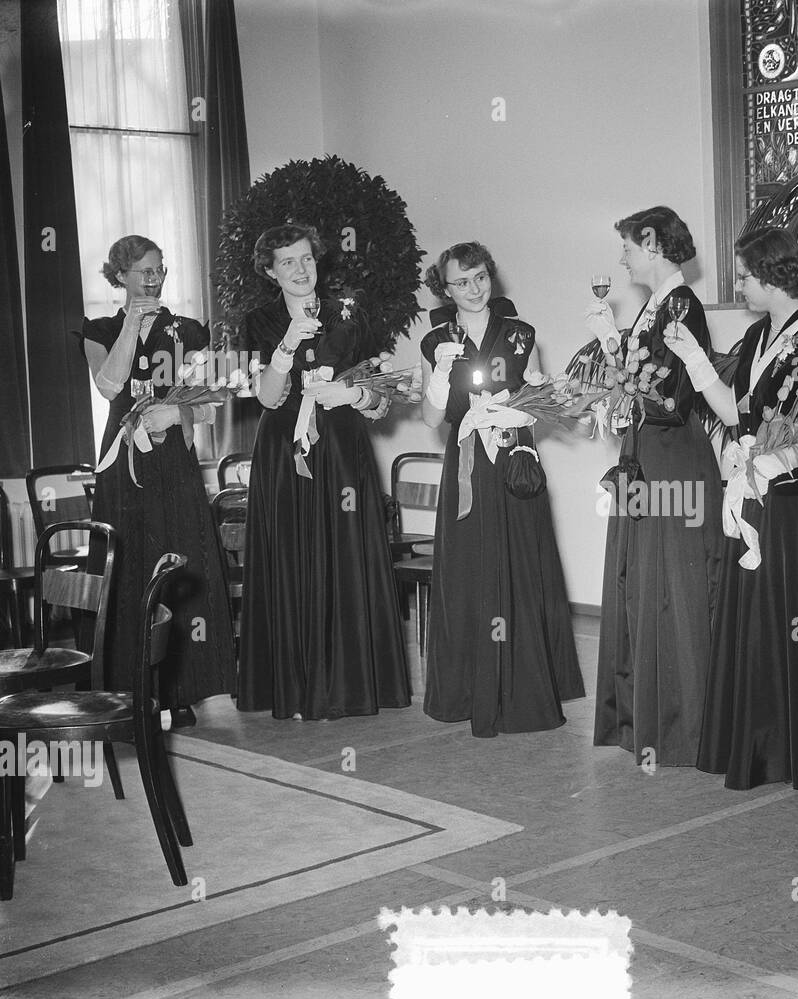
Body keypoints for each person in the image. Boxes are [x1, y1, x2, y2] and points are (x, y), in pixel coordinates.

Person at [672, 227, 798, 790]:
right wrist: (697, 363)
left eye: (746, 276)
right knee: (758, 622)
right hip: (755, 496)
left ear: (776, 277)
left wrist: (781, 461)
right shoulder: (758, 335)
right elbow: (737, 414)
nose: (740, 285)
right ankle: (760, 745)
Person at [236, 223, 410, 720]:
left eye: (306, 259)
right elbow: (267, 398)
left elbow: (381, 403)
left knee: (346, 552)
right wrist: (287, 346)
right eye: (287, 262)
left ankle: (349, 686)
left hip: (340, 450)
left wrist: (355, 394)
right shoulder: (260, 321)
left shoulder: (347, 316)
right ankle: (293, 686)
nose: (299, 269)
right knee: (291, 555)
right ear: (271, 272)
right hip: (284, 454)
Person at [419, 241, 583, 735]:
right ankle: (470, 690)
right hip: (467, 465)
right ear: (444, 289)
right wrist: (439, 379)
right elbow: (431, 419)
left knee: (519, 567)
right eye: (460, 283)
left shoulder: (519, 334)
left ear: (491, 277)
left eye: (480, 278)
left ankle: (524, 692)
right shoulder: (434, 343)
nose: (472, 289)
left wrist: (523, 407)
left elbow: (541, 400)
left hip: (512, 461)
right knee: (469, 572)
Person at [587, 206, 724, 766]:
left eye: (628, 246)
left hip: (671, 458)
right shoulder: (654, 307)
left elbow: (675, 398)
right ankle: (641, 715)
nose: (622, 257)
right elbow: (646, 381)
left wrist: (617, 379)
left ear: (652, 245)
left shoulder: (682, 306)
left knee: (672, 584)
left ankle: (680, 725)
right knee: (640, 577)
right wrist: (611, 361)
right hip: (644, 454)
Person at [80, 235, 234, 725]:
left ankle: (186, 690)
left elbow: (213, 402)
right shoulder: (99, 328)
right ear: (119, 275)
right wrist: (130, 325)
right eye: (142, 270)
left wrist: (176, 414)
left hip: (173, 461)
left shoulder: (188, 330)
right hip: (123, 467)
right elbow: (108, 386)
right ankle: (131, 691)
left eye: (160, 269)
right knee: (131, 566)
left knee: (182, 562)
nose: (153, 278)